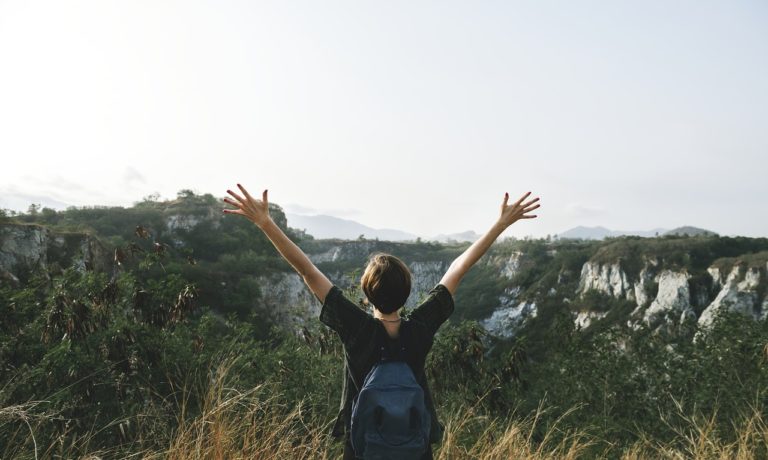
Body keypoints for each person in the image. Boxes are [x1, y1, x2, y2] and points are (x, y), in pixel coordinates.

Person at [223, 185, 540, 459]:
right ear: (408, 292)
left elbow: (307, 271)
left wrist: (265, 223)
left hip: (363, 446)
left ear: (365, 293)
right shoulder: (420, 328)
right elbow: (459, 268)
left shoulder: (356, 329)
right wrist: (500, 225)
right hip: (414, 446)